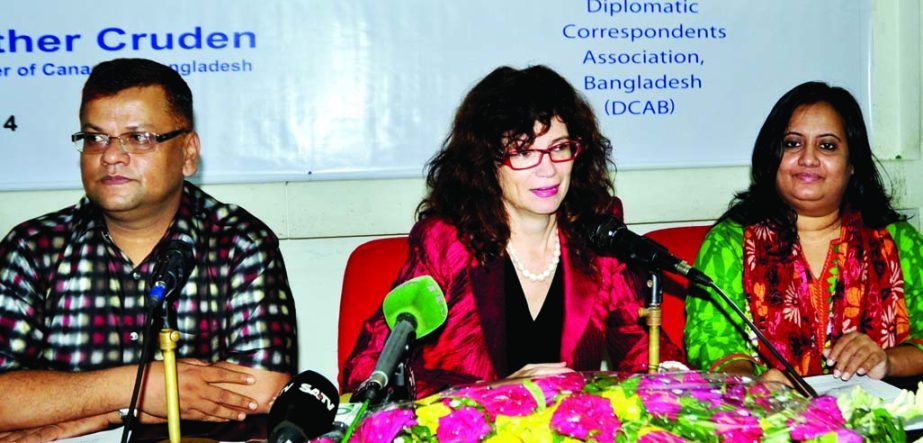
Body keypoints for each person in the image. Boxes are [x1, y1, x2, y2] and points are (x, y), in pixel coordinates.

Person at [342, 65, 683, 399]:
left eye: (559, 147)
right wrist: (491, 392)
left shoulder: (595, 237)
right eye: (523, 152)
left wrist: (672, 375)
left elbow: (642, 350)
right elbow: (365, 369)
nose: (548, 169)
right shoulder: (446, 243)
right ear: (486, 162)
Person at [0, 58, 297, 440]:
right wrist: (140, 388)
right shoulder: (34, 248)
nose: (110, 156)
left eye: (138, 138)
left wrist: (93, 414)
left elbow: (262, 392)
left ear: (188, 153)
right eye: (95, 138)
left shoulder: (239, 242)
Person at [684, 81, 923, 385]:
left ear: (852, 164)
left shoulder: (897, 240)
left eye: (827, 146)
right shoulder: (731, 241)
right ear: (772, 156)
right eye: (792, 143)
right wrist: (753, 385)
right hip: (768, 423)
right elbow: (712, 341)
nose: (808, 159)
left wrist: (888, 361)